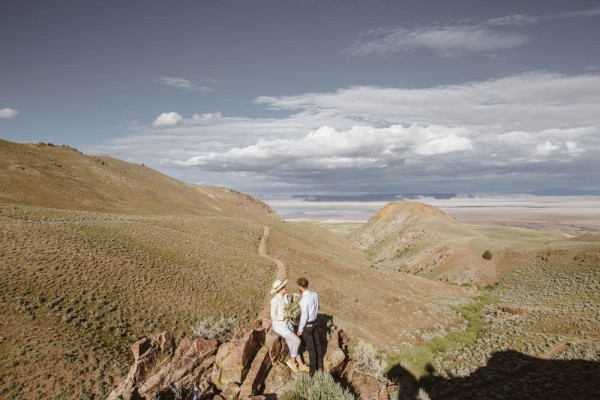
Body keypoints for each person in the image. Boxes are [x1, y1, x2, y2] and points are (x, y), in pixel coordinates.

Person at [270, 279, 309, 372]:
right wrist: (284, 316)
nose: (285, 288)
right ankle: (292, 361)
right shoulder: (274, 300)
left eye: (284, 286)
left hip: (288, 324)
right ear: (278, 290)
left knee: (293, 344)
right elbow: (273, 316)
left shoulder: (286, 296)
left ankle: (301, 365)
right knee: (297, 340)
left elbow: (288, 308)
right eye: (283, 287)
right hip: (280, 326)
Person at [297, 277, 323, 376]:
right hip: (315, 322)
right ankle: (320, 366)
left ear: (299, 286)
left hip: (307, 326)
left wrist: (300, 330)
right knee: (317, 344)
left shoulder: (303, 300)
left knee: (311, 348)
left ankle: (313, 371)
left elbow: (304, 317)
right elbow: (318, 306)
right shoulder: (315, 294)